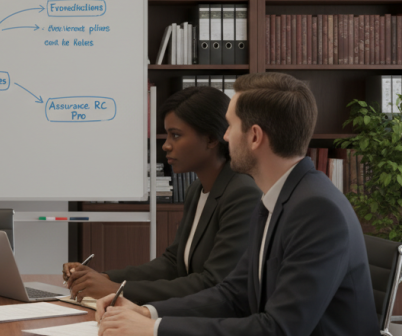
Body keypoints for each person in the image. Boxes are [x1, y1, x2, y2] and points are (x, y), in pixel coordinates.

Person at [95, 73, 395, 336]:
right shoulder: (279, 197)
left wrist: (155, 331)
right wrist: (146, 312)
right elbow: (232, 294)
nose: (224, 136)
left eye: (229, 126)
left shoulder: (316, 210)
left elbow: (279, 333)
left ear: (254, 136)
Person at [62, 86, 260, 304]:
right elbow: (173, 263)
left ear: (212, 139)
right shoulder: (197, 189)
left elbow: (213, 284)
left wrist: (117, 289)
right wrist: (105, 278)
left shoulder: (243, 194)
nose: (166, 145)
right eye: (167, 135)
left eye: (176, 135)